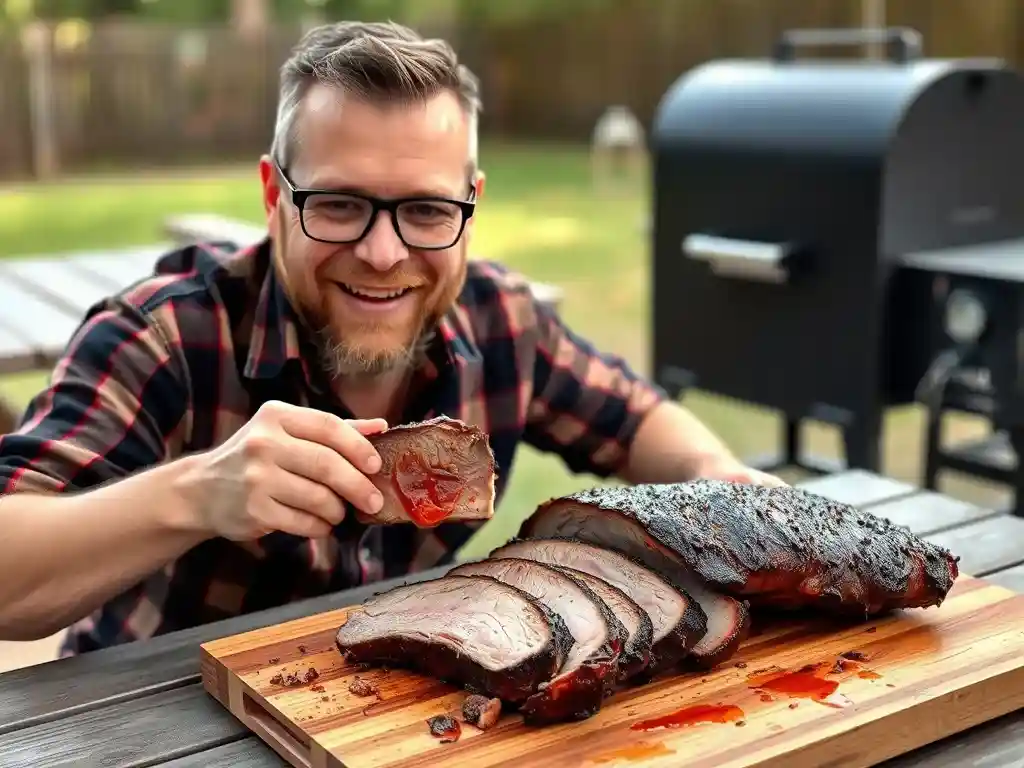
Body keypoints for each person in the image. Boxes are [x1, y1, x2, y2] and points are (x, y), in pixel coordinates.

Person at [0, 21, 782, 653]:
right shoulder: (163, 336)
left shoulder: (502, 321)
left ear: (469, 205)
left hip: (399, 714)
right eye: (338, 204)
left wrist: (716, 471)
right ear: (274, 195)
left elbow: (636, 420)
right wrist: (198, 493)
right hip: (147, 725)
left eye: (426, 211)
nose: (383, 254)